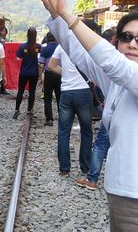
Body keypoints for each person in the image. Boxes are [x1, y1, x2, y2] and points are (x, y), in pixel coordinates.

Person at [39, 0, 138, 232]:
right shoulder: (119, 84)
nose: (133, 44)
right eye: (126, 37)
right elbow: (81, 55)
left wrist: (69, 14)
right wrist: (56, 15)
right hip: (120, 196)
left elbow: (113, 62)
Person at [48, 24, 93, 176]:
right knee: (86, 131)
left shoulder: (62, 46)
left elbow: (51, 66)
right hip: (83, 91)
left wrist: (66, 73)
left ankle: (64, 169)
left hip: (66, 92)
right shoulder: (86, 44)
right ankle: (85, 167)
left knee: (63, 131)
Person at [75, 28, 116, 190]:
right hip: (112, 108)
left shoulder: (105, 57)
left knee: (101, 144)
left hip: (112, 109)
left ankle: (92, 178)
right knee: (106, 143)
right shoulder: (117, 59)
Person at [13, 27, 41, 119]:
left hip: (24, 72)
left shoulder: (22, 46)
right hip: (34, 73)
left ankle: (17, 110)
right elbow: (41, 58)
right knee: (32, 91)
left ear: (27, 35)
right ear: (35, 35)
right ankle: (29, 111)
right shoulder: (38, 46)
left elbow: (17, 58)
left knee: (20, 91)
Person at [38, 32, 60, 126]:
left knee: (47, 97)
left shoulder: (45, 49)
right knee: (60, 96)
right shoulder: (60, 48)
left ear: (47, 39)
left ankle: (49, 119)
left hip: (48, 74)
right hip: (59, 73)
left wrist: (40, 78)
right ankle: (62, 117)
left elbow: (41, 65)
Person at [0, 26, 10, 95]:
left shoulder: (7, 39)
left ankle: (3, 88)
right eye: (2, 31)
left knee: (5, 73)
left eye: (4, 31)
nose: (3, 32)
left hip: (6, 58)